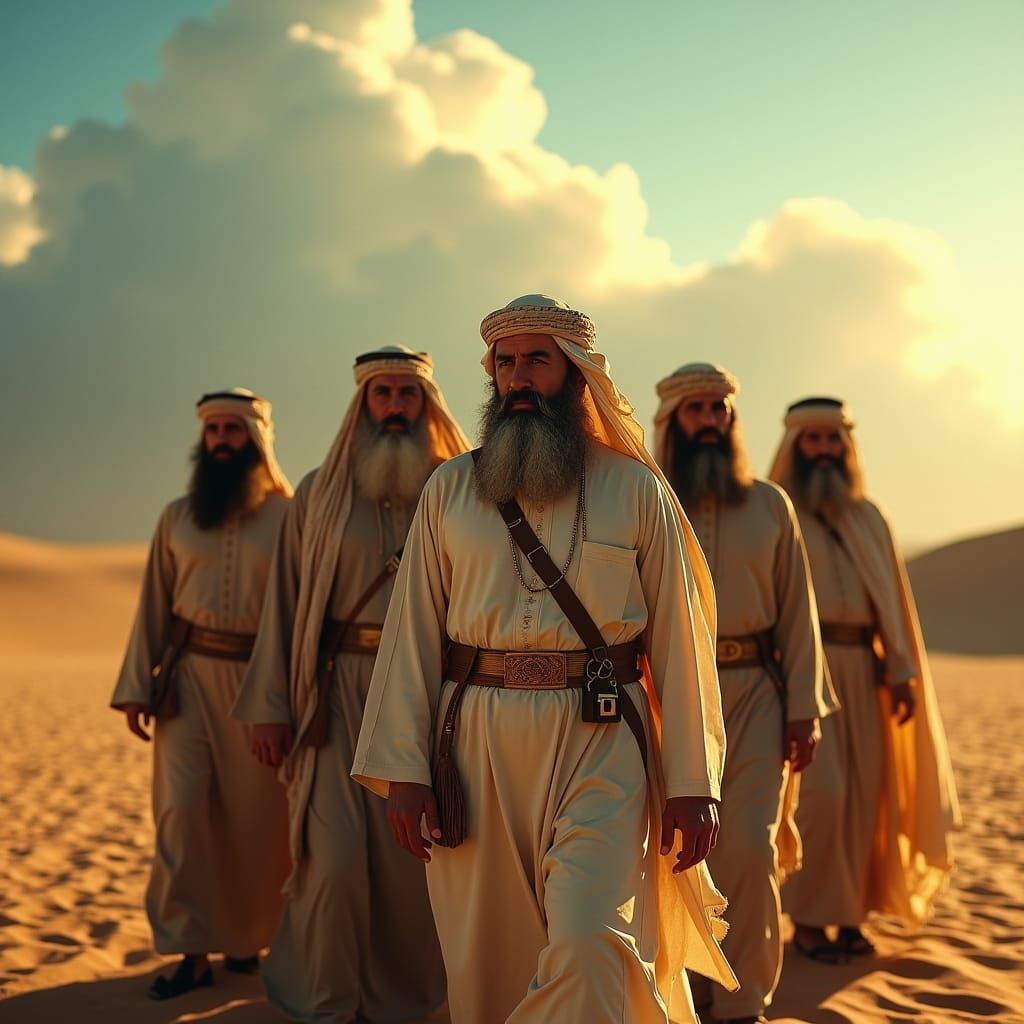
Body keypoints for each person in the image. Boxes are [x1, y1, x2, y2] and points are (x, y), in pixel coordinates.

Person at [352, 296, 737, 1024]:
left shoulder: (635, 489)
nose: (519, 377)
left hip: (603, 742)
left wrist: (693, 781)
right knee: (489, 965)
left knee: (592, 941)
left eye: (538, 360)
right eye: (506, 362)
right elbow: (412, 635)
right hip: (471, 747)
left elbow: (681, 643)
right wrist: (404, 771)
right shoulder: (449, 488)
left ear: (577, 372)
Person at [232, 347, 467, 1022]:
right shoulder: (320, 491)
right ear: (362, 405)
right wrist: (272, 705)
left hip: (430, 693)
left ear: (426, 404)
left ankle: (404, 1001)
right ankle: (330, 998)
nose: (394, 406)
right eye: (382, 394)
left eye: (407, 394)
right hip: (336, 698)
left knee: (412, 864)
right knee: (332, 861)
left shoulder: (458, 487)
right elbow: (285, 602)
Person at [654, 363, 838, 1023]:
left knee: (751, 848)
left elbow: (798, 614)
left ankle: (744, 1000)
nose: (710, 420)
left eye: (720, 409)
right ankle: (683, 991)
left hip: (757, 693)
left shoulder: (770, 504)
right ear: (672, 420)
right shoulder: (645, 498)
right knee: (673, 851)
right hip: (668, 696)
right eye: (697, 409)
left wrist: (803, 711)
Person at [110, 387, 293, 999]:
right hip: (185, 685)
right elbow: (153, 604)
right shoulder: (177, 516)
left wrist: (288, 700)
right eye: (213, 431)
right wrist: (138, 685)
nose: (220, 441)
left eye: (232, 430)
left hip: (260, 690)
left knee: (254, 823)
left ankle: (245, 943)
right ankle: (191, 952)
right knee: (182, 815)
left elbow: (300, 616)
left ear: (256, 439)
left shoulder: (290, 517)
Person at [769, 397, 960, 962]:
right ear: (795, 446)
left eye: (833, 439)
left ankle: (850, 918)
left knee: (865, 800)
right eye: (813, 439)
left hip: (864, 671)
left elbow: (894, 602)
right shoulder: (778, 512)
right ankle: (809, 920)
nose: (824, 450)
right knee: (822, 796)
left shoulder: (868, 516)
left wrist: (901, 671)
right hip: (805, 670)